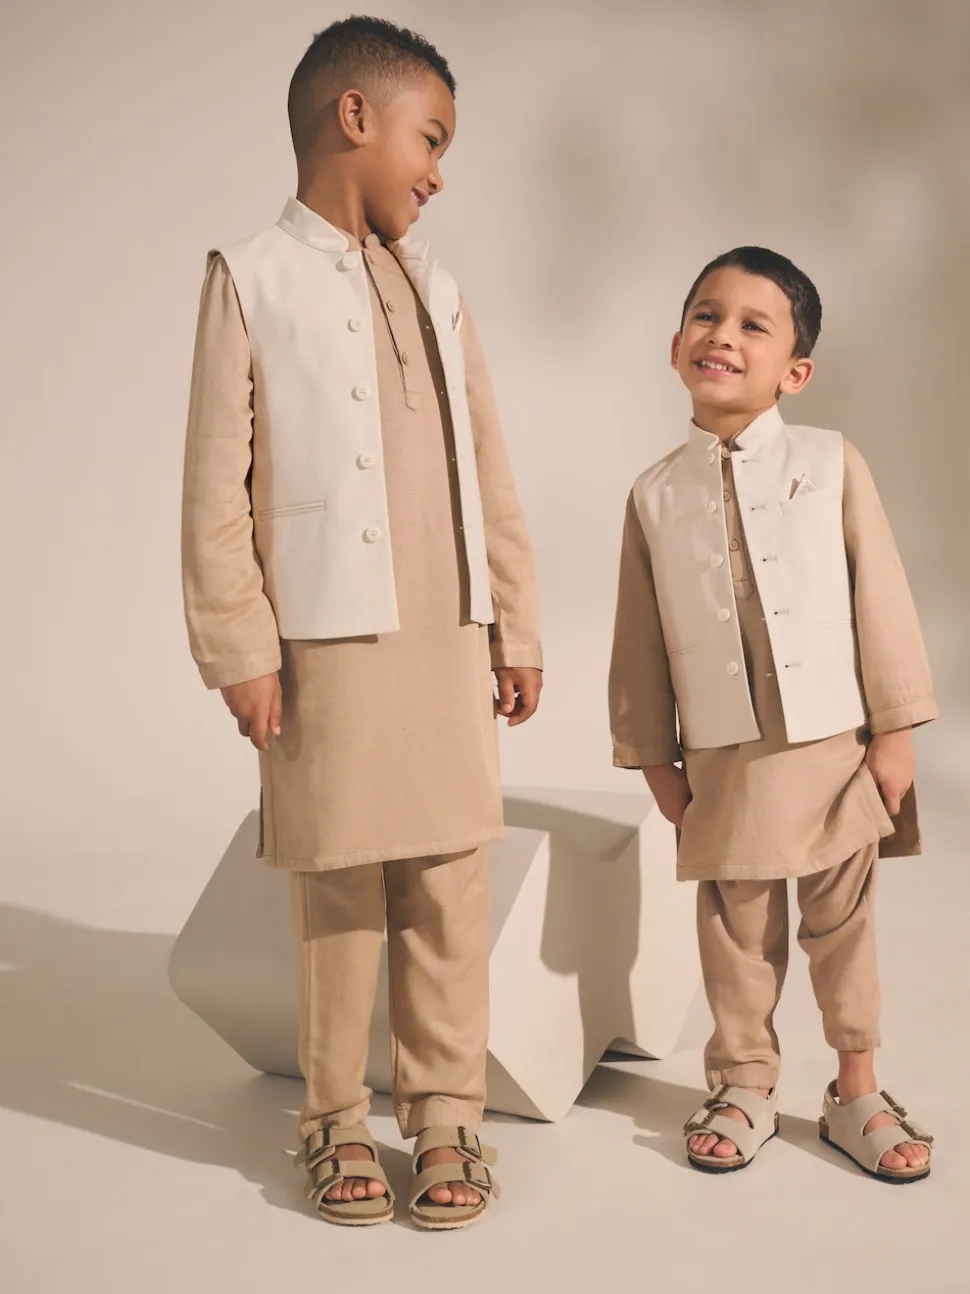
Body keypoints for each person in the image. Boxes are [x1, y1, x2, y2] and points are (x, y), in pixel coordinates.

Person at [181, 15, 542, 1229]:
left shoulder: (437, 284)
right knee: (337, 883)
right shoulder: (251, 277)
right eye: (429, 138)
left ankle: (445, 1116)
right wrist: (239, 648)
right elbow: (214, 486)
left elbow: (490, 465)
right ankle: (333, 1116)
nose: (438, 171)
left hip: (448, 633)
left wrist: (515, 622)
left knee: (447, 876)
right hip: (324, 637)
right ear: (353, 117)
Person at [609, 245, 937, 1181]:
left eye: (754, 325)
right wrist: (656, 761)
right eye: (707, 316)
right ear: (677, 343)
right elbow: (639, 636)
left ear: (795, 371)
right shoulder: (654, 492)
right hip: (725, 755)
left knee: (843, 925)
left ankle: (856, 1089)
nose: (723, 335)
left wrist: (895, 730)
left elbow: (880, 592)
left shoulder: (830, 462)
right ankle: (745, 1082)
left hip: (834, 742)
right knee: (737, 931)